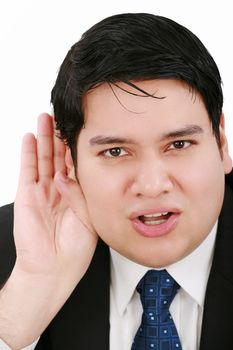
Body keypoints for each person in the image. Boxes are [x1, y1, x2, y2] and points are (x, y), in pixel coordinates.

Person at [0, 12, 232, 350]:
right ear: (71, 160)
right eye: (116, 151)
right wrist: (27, 301)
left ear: (221, 142)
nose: (152, 186)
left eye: (179, 145)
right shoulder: (13, 251)